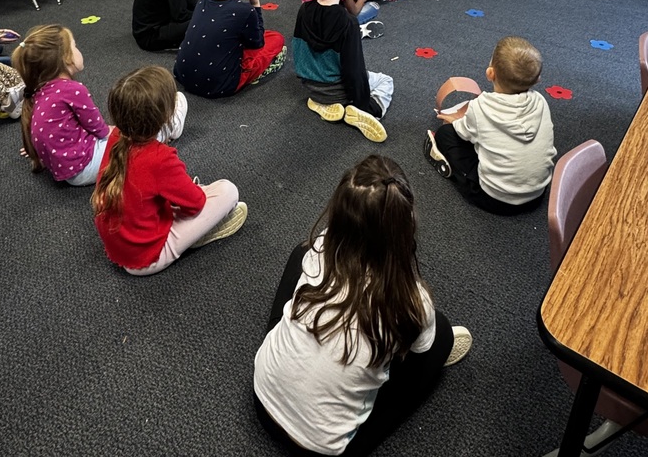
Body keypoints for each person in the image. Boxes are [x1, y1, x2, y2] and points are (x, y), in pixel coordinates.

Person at [253, 155, 472, 456]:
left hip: (262, 400)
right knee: (441, 336)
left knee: (299, 259)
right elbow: (420, 350)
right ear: (404, 229)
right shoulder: (411, 299)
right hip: (320, 449)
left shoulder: (321, 245)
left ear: (340, 214)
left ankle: (293, 353)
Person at [92, 66, 246, 275]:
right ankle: (196, 235)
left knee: (173, 194)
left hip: (119, 245)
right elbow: (195, 204)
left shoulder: (117, 135)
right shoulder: (159, 158)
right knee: (228, 191)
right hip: (147, 258)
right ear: (165, 118)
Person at [424, 36, 556, 214]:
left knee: (445, 134)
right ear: (537, 79)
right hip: (538, 194)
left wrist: (455, 121)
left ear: (490, 73)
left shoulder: (481, 106)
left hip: (495, 199)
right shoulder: (540, 102)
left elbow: (462, 133)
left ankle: (453, 170)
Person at [292, 0, 393, 142]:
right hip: (339, 90)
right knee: (385, 81)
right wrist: (363, 103)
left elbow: (299, 49)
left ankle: (322, 104)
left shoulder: (304, 10)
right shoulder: (348, 23)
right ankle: (369, 109)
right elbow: (353, 69)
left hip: (311, 85)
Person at [174, 0, 286, 98]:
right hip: (220, 84)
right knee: (276, 39)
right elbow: (257, 43)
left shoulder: (204, 0)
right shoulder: (245, 11)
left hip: (182, 74)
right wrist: (256, 5)